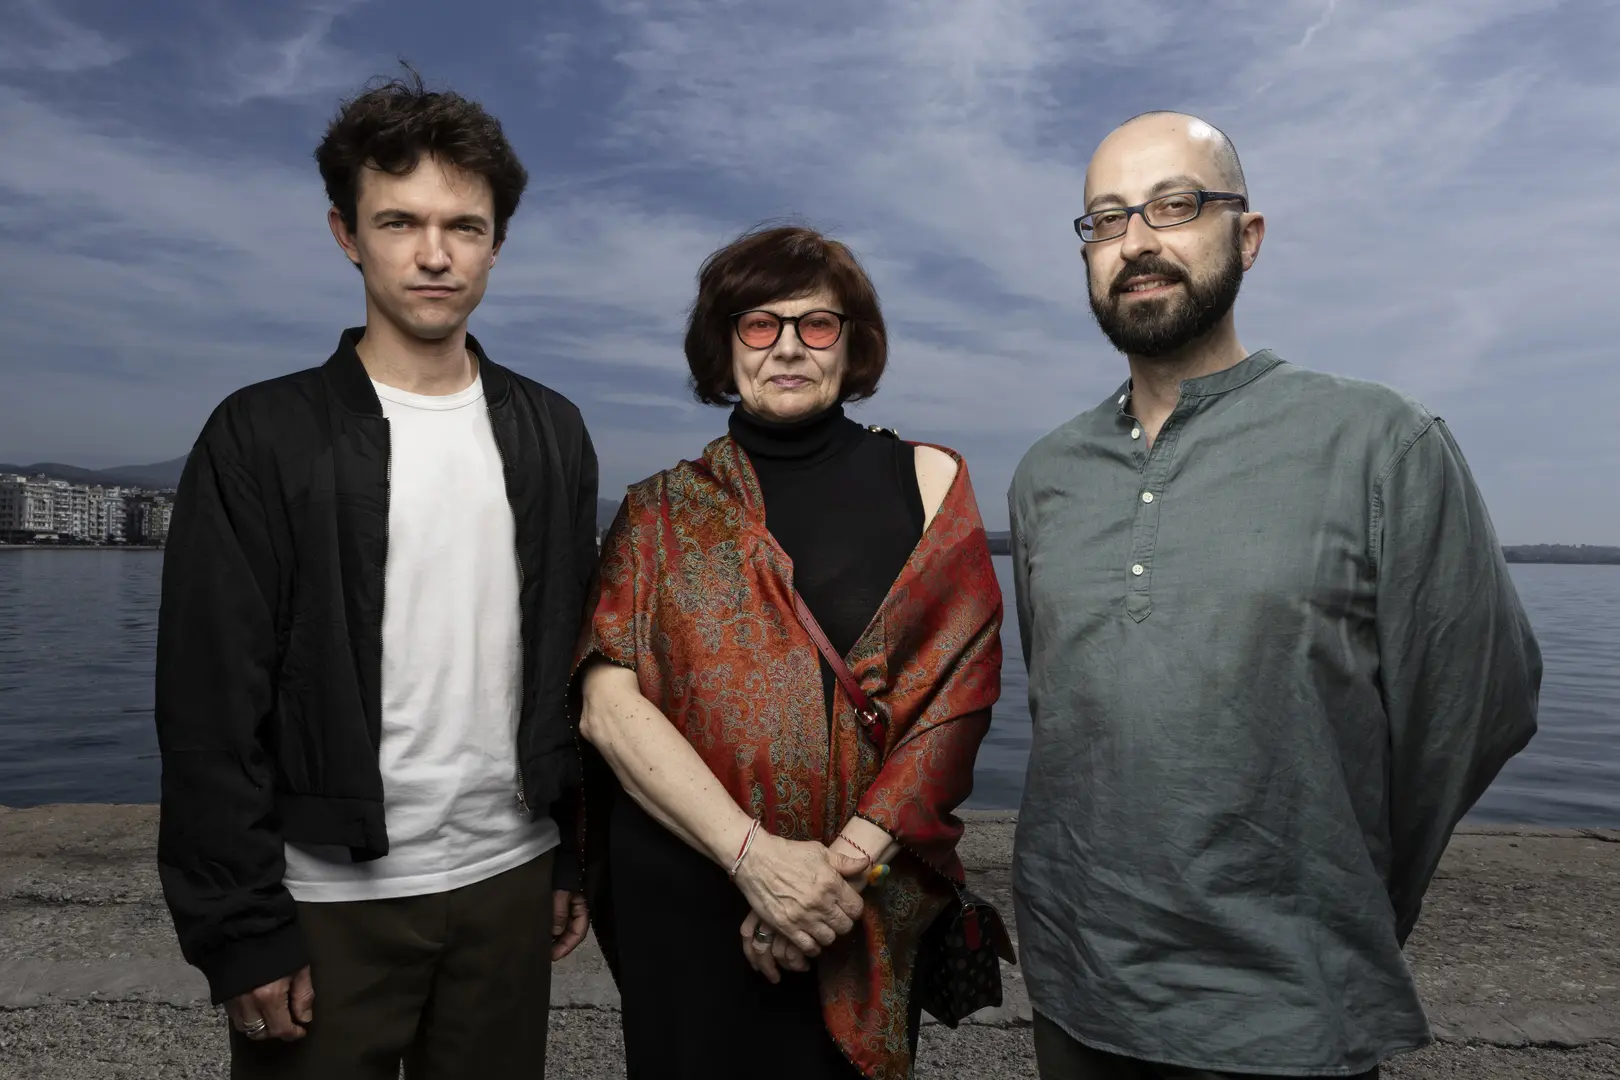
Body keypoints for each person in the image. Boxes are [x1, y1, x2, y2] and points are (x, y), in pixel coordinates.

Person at [1007, 111, 1542, 1080]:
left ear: (1246, 237)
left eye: (1175, 205)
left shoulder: (1382, 441)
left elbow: (1475, 707)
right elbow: (1064, 708)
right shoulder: (1046, 476)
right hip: (1077, 994)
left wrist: (1343, 895)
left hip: (1290, 1014)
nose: (1137, 240)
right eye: (1107, 218)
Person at [153, 69, 597, 1079]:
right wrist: (240, 928)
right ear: (346, 235)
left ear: (496, 242)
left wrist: (570, 851)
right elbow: (208, 699)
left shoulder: (553, 432)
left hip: (508, 878)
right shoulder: (261, 434)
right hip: (326, 898)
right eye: (400, 222)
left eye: (464, 226)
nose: (435, 254)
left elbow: (571, 662)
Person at [573, 224, 1002, 1079]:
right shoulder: (657, 512)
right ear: (726, 346)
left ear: (852, 343)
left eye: (818, 324)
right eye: (760, 324)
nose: (789, 347)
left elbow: (955, 698)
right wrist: (756, 860)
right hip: (687, 891)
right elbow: (606, 708)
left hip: (856, 897)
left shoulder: (929, 482)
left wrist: (825, 884)